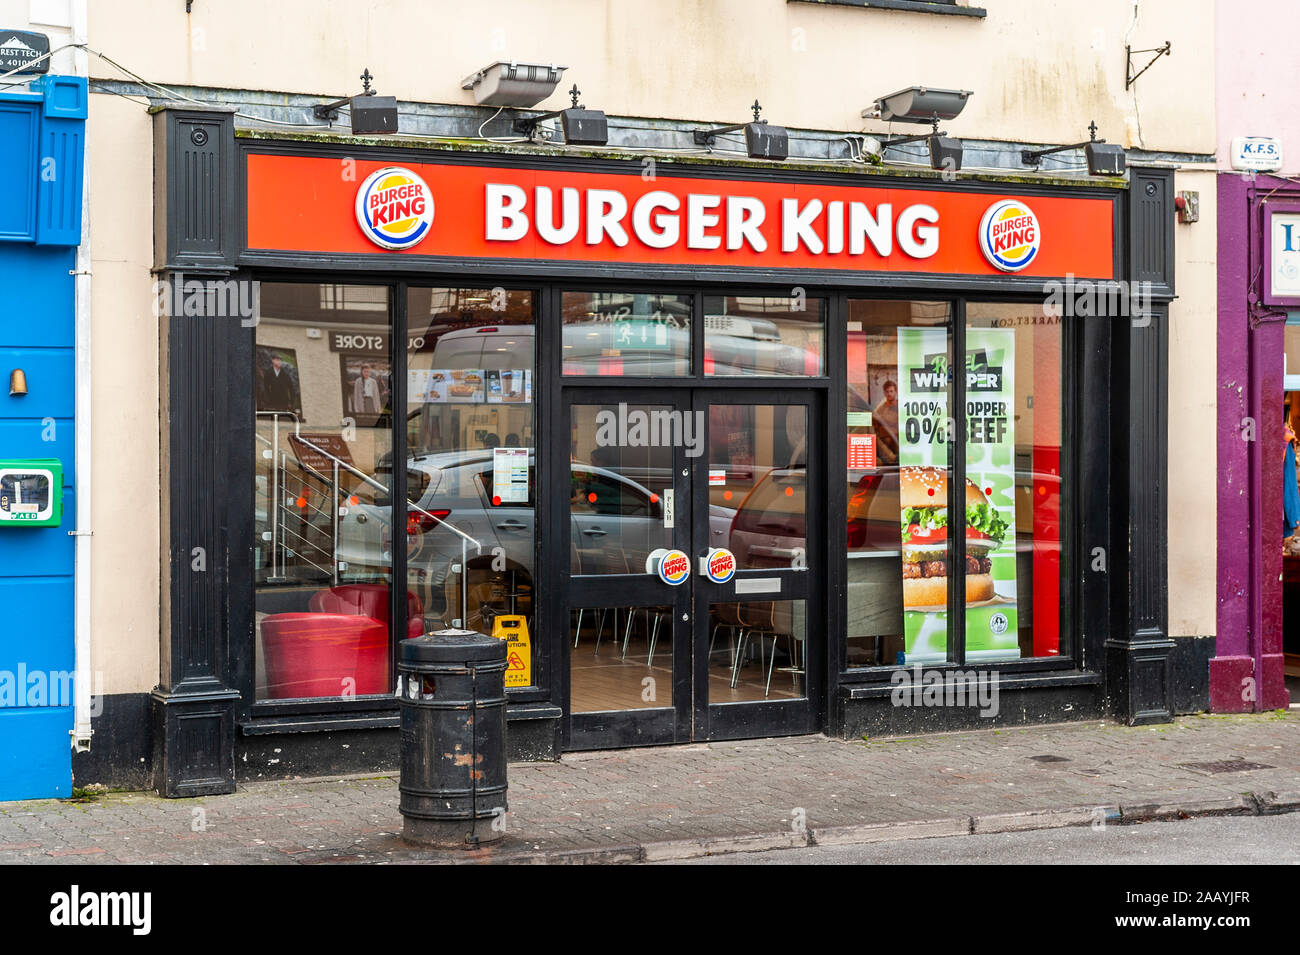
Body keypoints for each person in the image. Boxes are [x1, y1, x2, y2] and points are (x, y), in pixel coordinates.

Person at [873, 380, 900, 466]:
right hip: (885, 436)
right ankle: (892, 458)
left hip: (899, 435)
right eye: (887, 391)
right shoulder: (881, 409)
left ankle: (893, 458)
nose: (889, 394)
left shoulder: (901, 405)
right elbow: (874, 422)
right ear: (884, 393)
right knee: (874, 436)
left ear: (896, 392)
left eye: (891, 391)